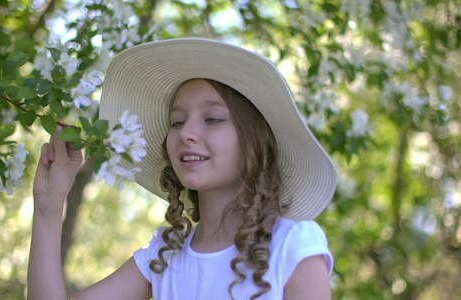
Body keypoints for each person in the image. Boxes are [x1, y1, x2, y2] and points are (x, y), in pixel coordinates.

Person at [28, 38, 337, 300]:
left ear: (253, 143)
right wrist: (49, 204)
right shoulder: (163, 255)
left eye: (212, 119)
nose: (186, 133)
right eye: (177, 122)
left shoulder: (292, 245)